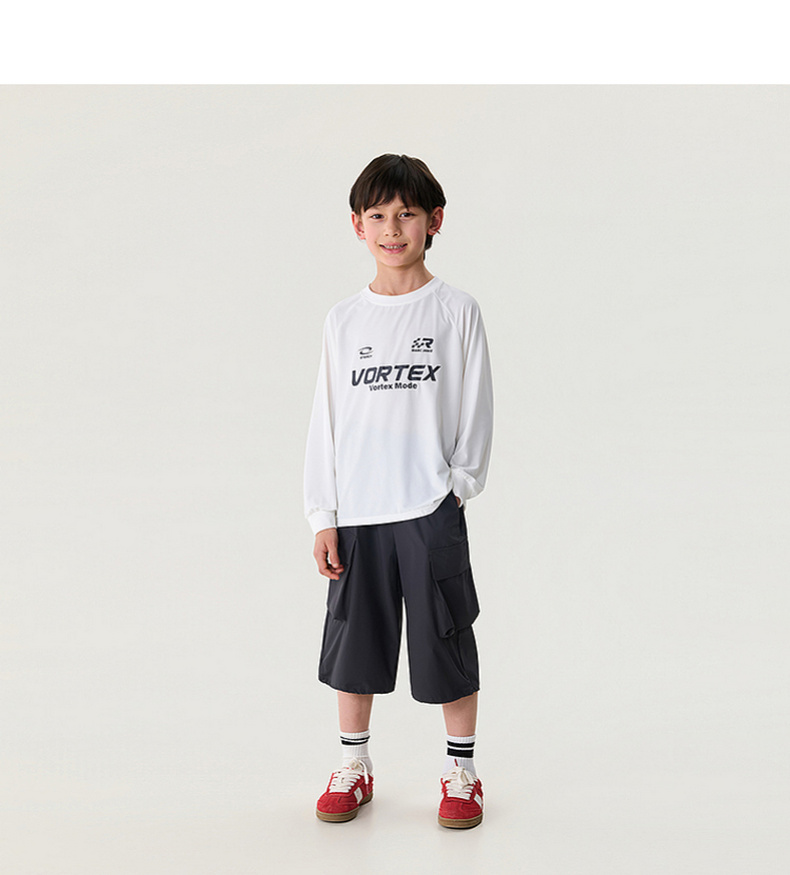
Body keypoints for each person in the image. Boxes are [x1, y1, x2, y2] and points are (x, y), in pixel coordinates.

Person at [304, 154, 493, 829]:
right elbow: (325, 420)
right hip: (358, 513)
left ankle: (462, 773)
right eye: (379, 215)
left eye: (406, 214)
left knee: (447, 636)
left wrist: (457, 487)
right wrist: (323, 514)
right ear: (357, 225)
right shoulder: (343, 320)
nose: (393, 228)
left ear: (433, 221)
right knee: (354, 641)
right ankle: (353, 765)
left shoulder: (455, 311)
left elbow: (476, 407)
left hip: (429, 508)